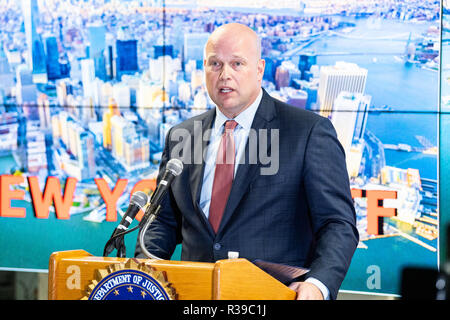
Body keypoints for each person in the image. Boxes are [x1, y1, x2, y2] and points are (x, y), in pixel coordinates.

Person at [135, 23, 359, 300]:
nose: (224, 74)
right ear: (204, 68)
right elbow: (163, 222)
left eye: (237, 63)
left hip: (273, 295)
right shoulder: (182, 135)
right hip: (193, 296)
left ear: (260, 69)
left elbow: (338, 223)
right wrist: (141, 276)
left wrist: (317, 284)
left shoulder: (307, 132)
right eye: (215, 64)